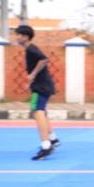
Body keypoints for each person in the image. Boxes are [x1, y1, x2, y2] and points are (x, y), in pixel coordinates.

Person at [15, 25, 60, 160]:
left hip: (41, 86)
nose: (16, 37)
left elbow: (44, 59)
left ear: (25, 37)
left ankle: (46, 146)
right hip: (42, 85)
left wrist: (33, 74)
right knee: (41, 111)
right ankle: (52, 138)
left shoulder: (31, 49)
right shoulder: (30, 49)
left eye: (18, 35)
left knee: (37, 111)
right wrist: (30, 81)